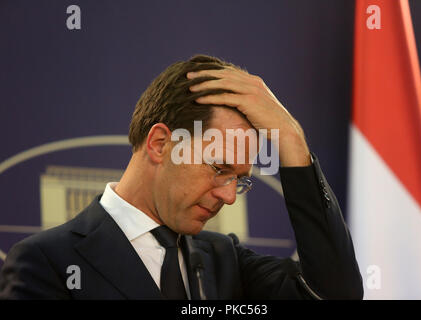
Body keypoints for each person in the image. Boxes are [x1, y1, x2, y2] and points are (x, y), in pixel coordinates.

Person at [0, 55, 363, 299]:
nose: (230, 197)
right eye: (219, 168)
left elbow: (336, 292)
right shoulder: (46, 262)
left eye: (239, 179)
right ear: (160, 144)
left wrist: (292, 140)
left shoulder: (226, 261)